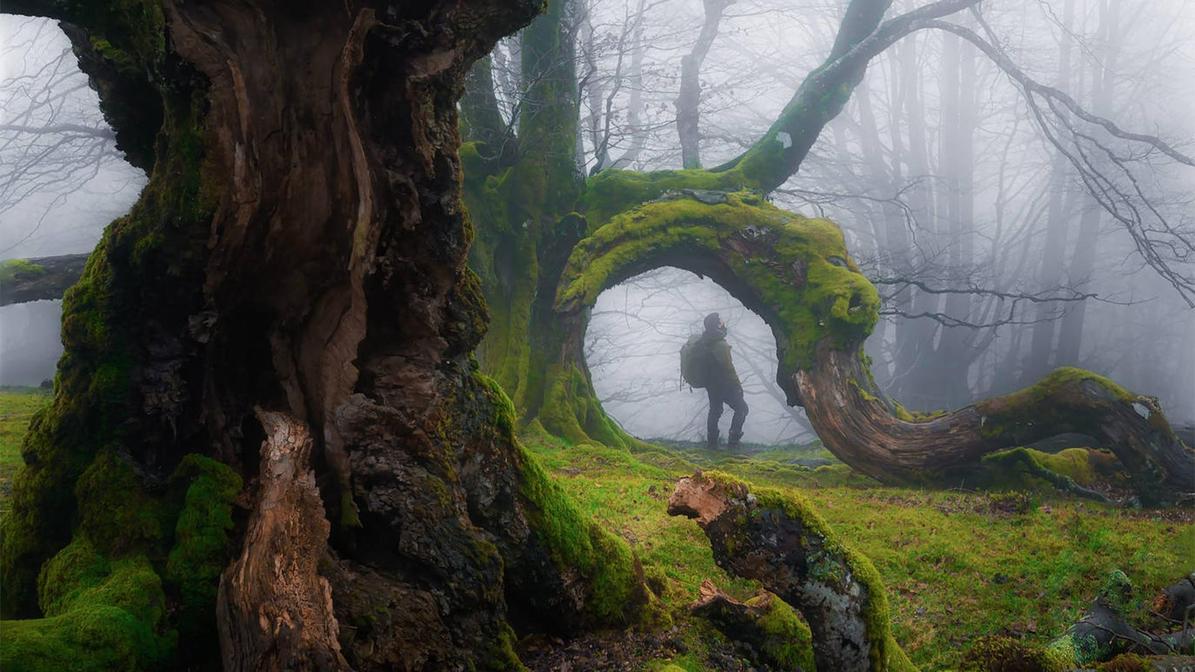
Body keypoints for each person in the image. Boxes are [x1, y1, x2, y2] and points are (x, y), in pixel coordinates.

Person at [700, 312, 748, 449]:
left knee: (715, 410)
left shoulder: (705, 341)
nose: (723, 322)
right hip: (726, 384)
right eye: (721, 321)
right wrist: (738, 385)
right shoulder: (720, 344)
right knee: (742, 409)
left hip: (711, 384)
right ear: (717, 325)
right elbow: (729, 368)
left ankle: (712, 443)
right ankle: (733, 442)